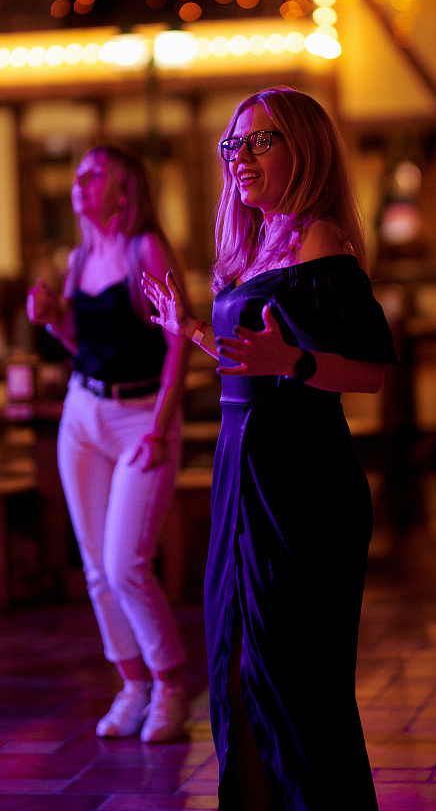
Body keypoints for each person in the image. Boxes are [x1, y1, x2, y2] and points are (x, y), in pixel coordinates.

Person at [143, 87, 397, 809]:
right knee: (234, 666)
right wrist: (193, 330)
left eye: (261, 141)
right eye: (234, 145)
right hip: (241, 467)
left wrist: (296, 363)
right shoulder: (250, 246)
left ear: (304, 149)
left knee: (289, 677)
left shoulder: (320, 240)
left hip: (301, 478)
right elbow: (248, 364)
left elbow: (371, 371)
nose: (241, 158)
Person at [27, 145, 190, 743]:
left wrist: (161, 426)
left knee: (126, 565)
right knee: (96, 568)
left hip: (142, 416)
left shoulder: (145, 250)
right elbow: (86, 347)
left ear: (126, 187)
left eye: (95, 173)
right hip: (83, 412)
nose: (81, 181)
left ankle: (170, 684)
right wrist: (53, 321)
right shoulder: (78, 259)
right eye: (78, 173)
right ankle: (133, 685)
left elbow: (179, 340)